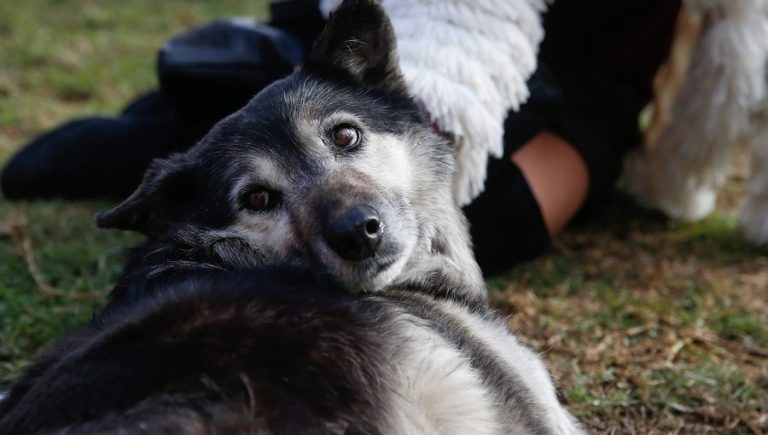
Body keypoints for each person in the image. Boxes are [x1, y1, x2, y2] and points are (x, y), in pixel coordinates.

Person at [0, 0, 682, 274]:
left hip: (579, 82)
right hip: (392, 35)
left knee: (490, 222)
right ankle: (202, 154)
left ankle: (208, 120)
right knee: (318, 136)